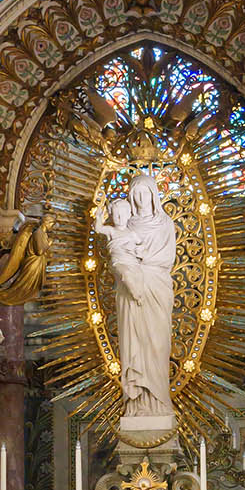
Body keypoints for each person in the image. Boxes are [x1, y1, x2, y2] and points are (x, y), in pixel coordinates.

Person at [96, 174, 177, 424]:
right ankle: (136, 402)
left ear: (154, 195)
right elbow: (115, 253)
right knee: (134, 345)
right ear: (131, 197)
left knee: (157, 344)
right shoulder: (126, 225)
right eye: (136, 194)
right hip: (129, 293)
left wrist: (141, 263)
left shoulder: (165, 224)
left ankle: (158, 399)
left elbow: (167, 258)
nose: (141, 199)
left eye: (145, 193)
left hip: (157, 287)